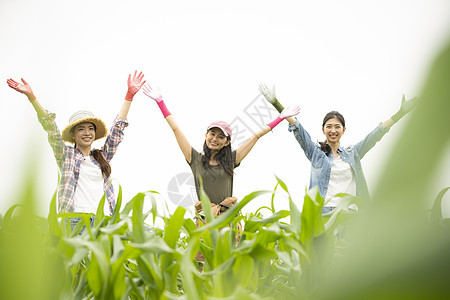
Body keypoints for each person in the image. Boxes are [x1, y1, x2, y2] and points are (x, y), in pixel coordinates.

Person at [6, 71, 145, 229]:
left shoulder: (102, 157)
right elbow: (51, 128)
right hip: (75, 220)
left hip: (104, 220)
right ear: (73, 134)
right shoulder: (66, 156)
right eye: (81, 129)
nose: (87, 133)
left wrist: (129, 96)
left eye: (90, 129)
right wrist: (32, 97)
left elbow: (117, 132)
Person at [259, 83, 418, 213]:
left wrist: (400, 113)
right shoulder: (316, 153)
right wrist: (275, 103)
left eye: (337, 126)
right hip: (323, 214)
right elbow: (298, 129)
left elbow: (375, 135)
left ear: (343, 130)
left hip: (350, 213)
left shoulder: (353, 153)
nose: (333, 130)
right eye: (329, 126)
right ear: (323, 130)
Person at [141, 83, 300, 212]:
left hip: (227, 218)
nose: (215, 139)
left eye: (220, 136)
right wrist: (160, 102)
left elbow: (256, 136)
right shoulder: (195, 158)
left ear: (227, 142)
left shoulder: (232, 159)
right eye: (212, 134)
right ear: (206, 135)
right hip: (204, 219)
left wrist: (280, 117)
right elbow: (176, 129)